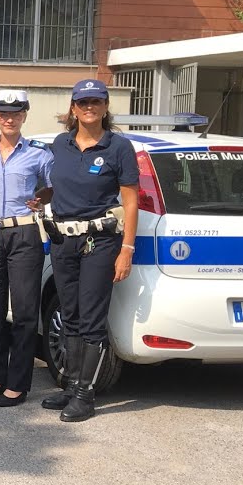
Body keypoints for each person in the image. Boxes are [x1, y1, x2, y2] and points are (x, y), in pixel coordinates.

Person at [39, 79, 138, 422]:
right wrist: (42, 197)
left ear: (106, 106)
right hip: (63, 241)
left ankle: (85, 395)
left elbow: (130, 201)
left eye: (96, 101)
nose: (89, 107)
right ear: (74, 108)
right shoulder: (60, 143)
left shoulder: (118, 147)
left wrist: (126, 249)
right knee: (70, 315)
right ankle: (70, 385)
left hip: (100, 242)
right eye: (83, 102)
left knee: (92, 319)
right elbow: (60, 186)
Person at [0, 89, 54, 408]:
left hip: (24, 232)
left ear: (24, 116)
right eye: (4, 113)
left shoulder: (39, 153)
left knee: (23, 311)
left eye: (16, 113)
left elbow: (54, 187)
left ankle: (18, 384)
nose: (9, 119)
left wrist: (42, 199)